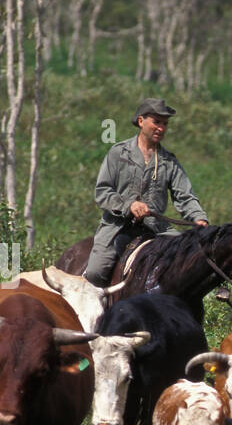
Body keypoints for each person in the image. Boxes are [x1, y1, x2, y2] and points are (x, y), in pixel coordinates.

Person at [84, 97, 210, 287]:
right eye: (156, 122)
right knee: (95, 273)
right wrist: (129, 205)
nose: (161, 128)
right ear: (141, 121)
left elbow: (185, 196)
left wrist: (199, 218)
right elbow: (103, 191)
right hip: (117, 227)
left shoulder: (169, 161)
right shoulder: (118, 153)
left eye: (165, 123)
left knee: (192, 260)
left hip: (156, 229)